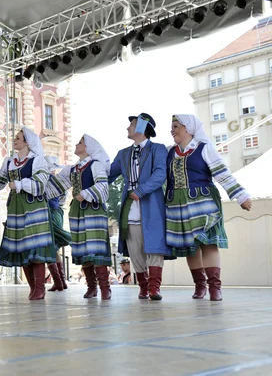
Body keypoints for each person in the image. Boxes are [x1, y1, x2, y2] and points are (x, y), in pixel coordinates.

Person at [165, 115, 251, 301]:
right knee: (191, 247)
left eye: (175, 126)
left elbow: (222, 173)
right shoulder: (170, 152)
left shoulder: (204, 148)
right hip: (178, 204)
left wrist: (240, 195)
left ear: (188, 128)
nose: (172, 130)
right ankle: (200, 285)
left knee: (209, 243)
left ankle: (215, 287)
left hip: (203, 201)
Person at [0, 127, 56, 300]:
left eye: (18, 138)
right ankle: (33, 288)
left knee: (35, 247)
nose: (14, 140)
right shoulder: (9, 161)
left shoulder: (38, 161)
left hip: (34, 208)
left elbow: (40, 185)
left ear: (27, 142)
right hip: (15, 208)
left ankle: (39, 288)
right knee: (22, 248)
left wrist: (19, 184)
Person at [109, 113, 172, 300]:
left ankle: (154, 288)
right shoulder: (123, 153)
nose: (128, 127)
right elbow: (108, 174)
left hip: (151, 205)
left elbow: (161, 174)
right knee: (135, 249)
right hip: (130, 207)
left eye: (132, 124)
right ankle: (143, 286)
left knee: (154, 246)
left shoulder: (158, 149)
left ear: (142, 127)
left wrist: (142, 190)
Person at [48, 134, 112, 299]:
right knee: (83, 247)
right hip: (77, 210)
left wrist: (85, 193)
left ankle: (105, 287)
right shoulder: (73, 168)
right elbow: (56, 185)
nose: (77, 144)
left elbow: (103, 186)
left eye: (80, 142)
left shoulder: (96, 165)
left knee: (96, 247)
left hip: (94, 209)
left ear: (88, 147)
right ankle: (92, 286)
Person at [44, 156, 71, 292]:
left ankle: (59, 281)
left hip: (49, 212)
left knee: (49, 246)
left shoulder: (45, 180)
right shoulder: (60, 181)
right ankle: (61, 281)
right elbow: (62, 199)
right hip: (58, 212)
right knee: (53, 248)